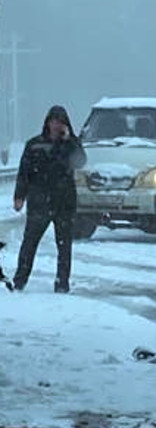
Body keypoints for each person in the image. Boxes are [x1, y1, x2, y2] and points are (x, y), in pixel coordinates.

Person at [11, 105, 87, 293]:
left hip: (64, 202)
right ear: (47, 122)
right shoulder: (34, 145)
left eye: (60, 122)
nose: (56, 125)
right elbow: (24, 172)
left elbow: (81, 161)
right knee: (30, 242)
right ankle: (19, 281)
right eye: (53, 121)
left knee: (64, 245)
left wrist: (70, 139)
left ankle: (62, 283)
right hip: (39, 202)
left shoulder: (70, 145)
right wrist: (19, 196)